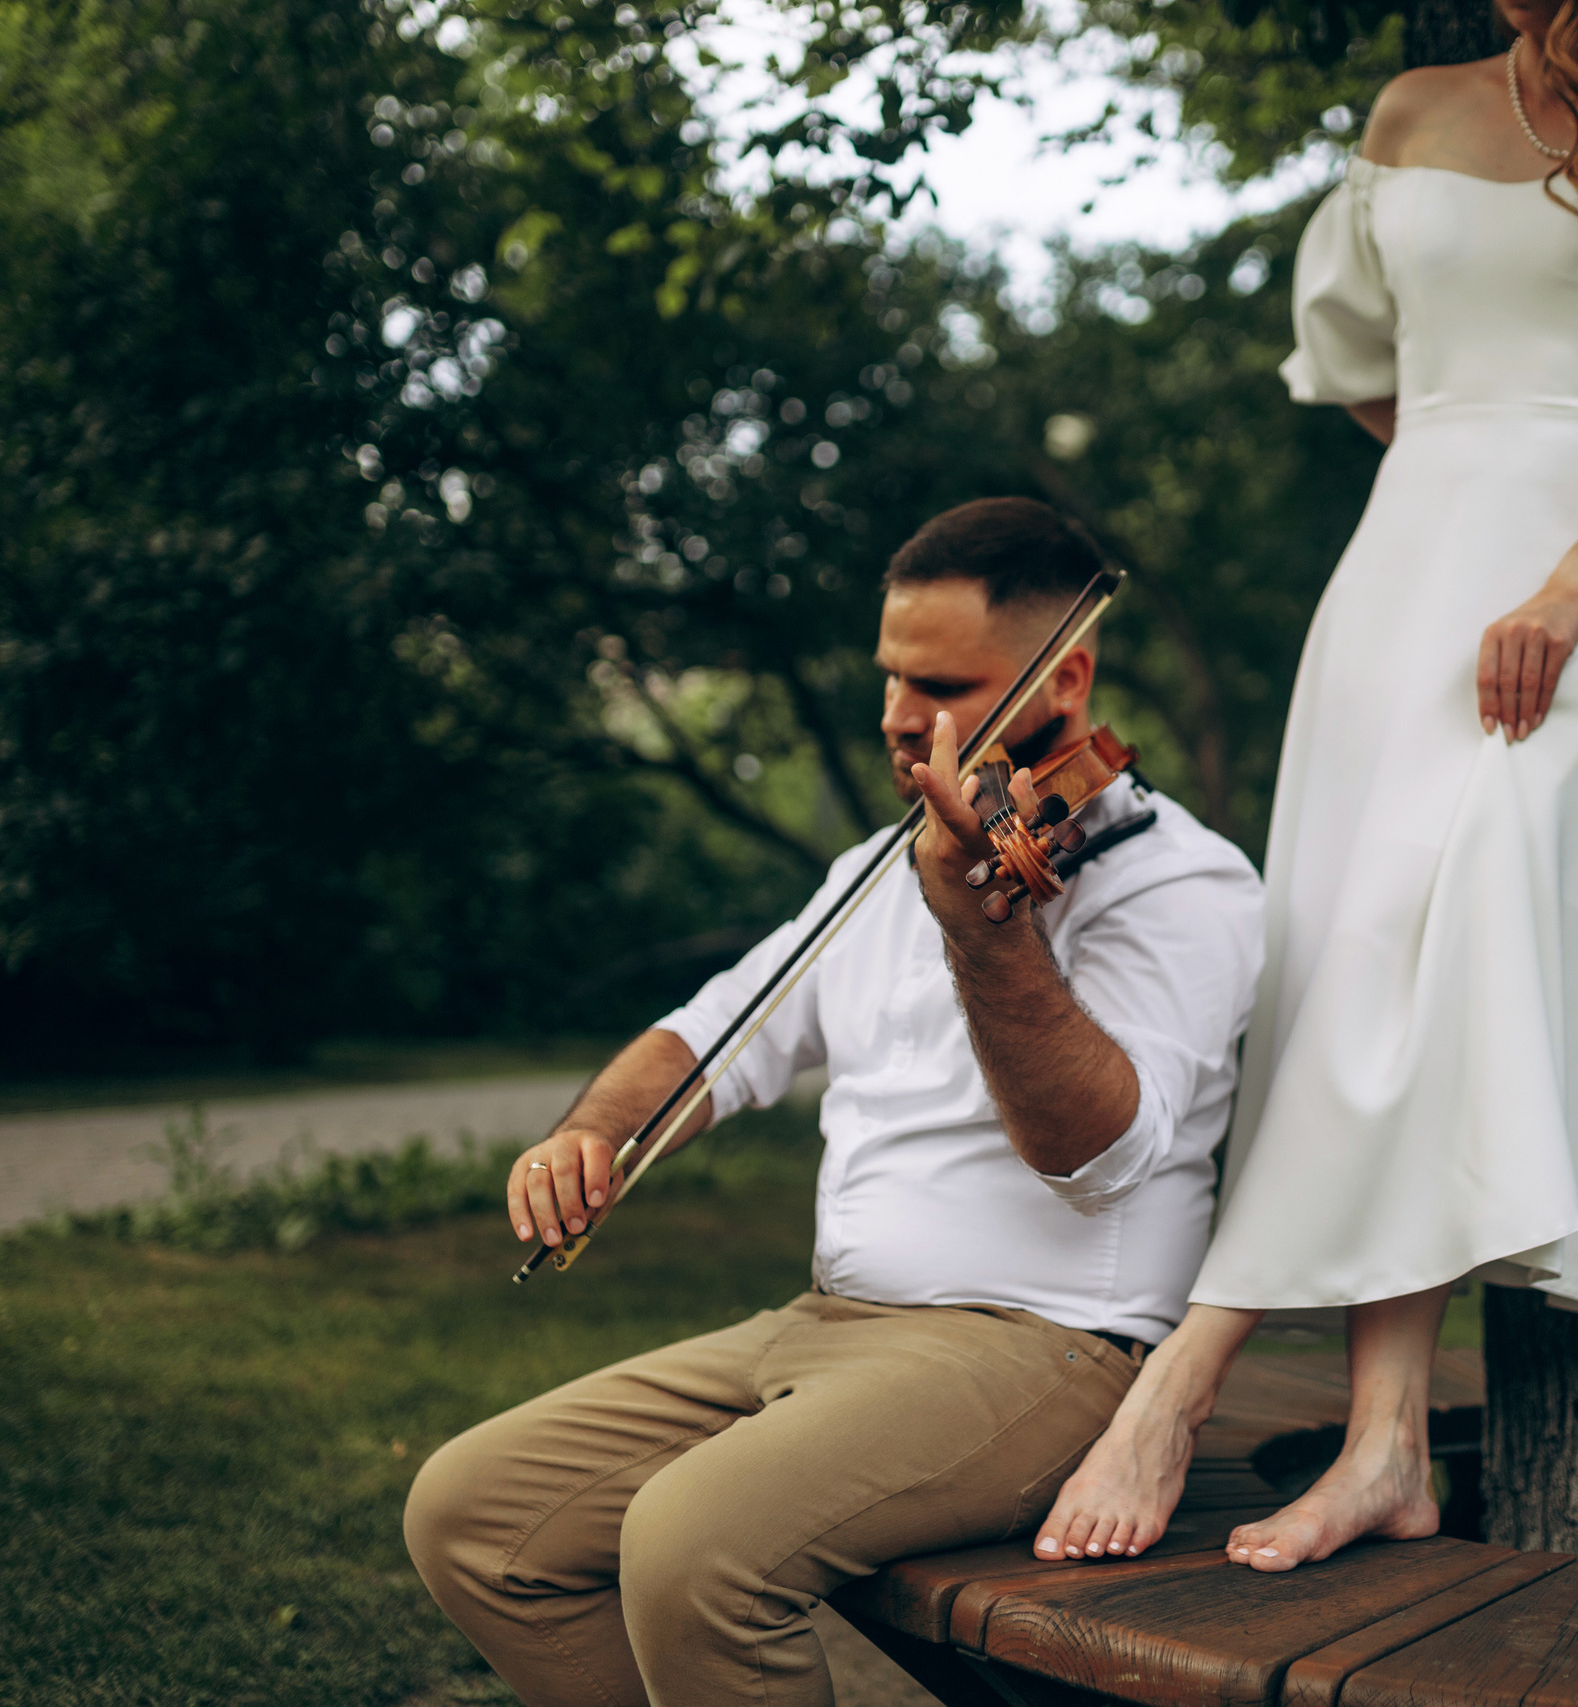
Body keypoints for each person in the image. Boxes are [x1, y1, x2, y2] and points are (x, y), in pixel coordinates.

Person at [1034, 0, 1578, 1571]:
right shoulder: (1409, 108)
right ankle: (1386, 1440)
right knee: (1364, 946)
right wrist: (1463, 464)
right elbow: (1365, 371)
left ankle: (1185, 1373)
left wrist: (1561, 583)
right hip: (1408, 559)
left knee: (1448, 929)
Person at [404, 497, 1264, 1706]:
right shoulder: (875, 866)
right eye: (887, 678)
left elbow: (1096, 1155)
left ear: (1062, 679)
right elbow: (712, 1036)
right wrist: (591, 1130)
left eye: (943, 683)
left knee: (692, 1545)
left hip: (1045, 1348)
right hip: (826, 1325)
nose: (899, 720)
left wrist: (979, 927)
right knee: (471, 1515)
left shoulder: (1181, 885)